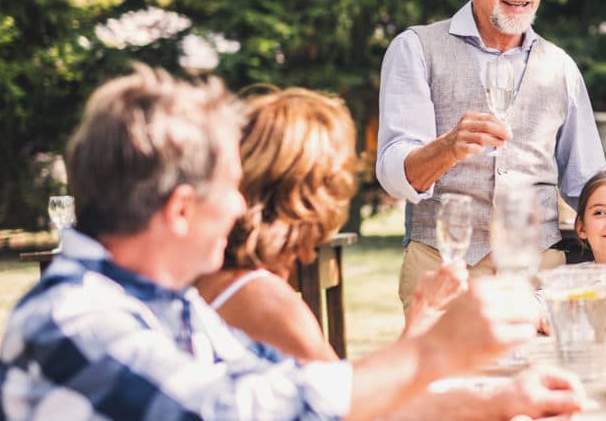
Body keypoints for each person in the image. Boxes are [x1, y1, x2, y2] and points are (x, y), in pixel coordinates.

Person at [0, 66, 542, 420]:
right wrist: (432, 352)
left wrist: (500, 401)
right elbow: (233, 409)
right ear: (180, 209)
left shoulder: (172, 308)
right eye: (229, 186)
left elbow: (313, 391)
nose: (238, 205)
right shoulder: (71, 317)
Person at [195, 87, 582, 419]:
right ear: (313, 193)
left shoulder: (227, 281)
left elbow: (367, 396)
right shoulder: (262, 299)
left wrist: (419, 321)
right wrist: (497, 401)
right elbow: (361, 410)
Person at [376, 0, 606, 317]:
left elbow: (586, 181)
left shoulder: (561, 66)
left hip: (538, 273)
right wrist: (447, 148)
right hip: (444, 268)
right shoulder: (415, 48)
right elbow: (395, 174)